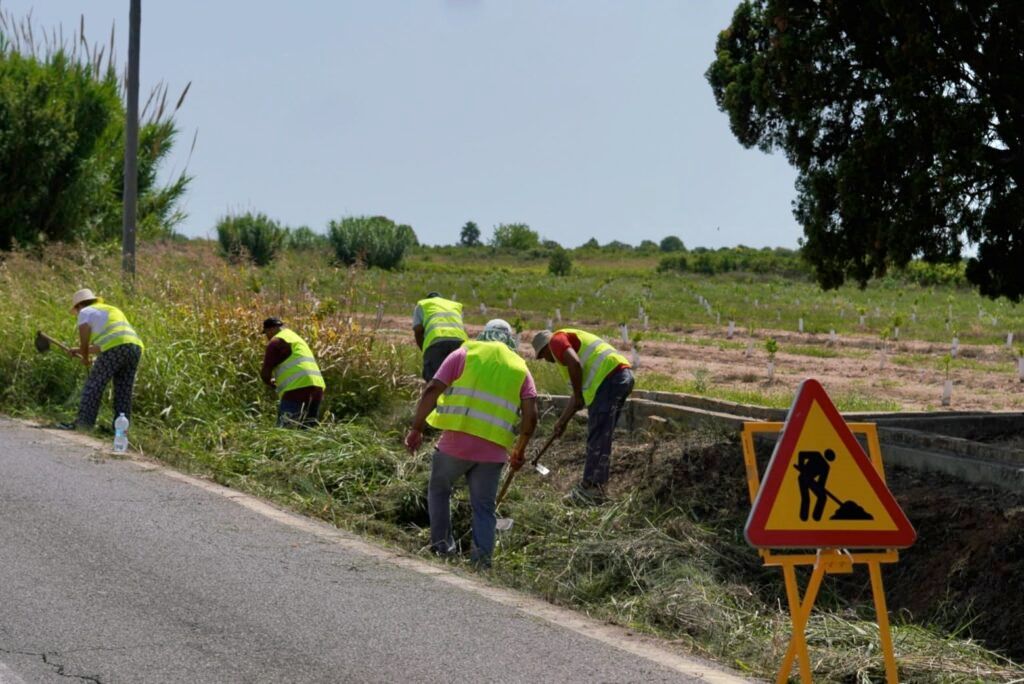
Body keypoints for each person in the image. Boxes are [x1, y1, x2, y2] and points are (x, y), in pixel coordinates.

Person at [405, 319, 537, 569]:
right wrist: (520, 449)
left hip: (456, 443)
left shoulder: (465, 352)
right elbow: (532, 415)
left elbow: (433, 389)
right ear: (510, 341)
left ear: (484, 334)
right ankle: (481, 562)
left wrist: (416, 428)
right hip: (493, 452)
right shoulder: (520, 367)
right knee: (484, 507)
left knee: (440, 489)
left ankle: (442, 548)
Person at [532, 328, 634, 505]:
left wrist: (578, 396)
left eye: (543, 355)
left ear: (546, 347)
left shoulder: (557, 341)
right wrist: (562, 421)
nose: (546, 361)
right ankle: (597, 488)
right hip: (618, 378)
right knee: (602, 435)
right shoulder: (568, 356)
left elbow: (575, 364)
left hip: (609, 379)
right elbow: (577, 398)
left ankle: (590, 489)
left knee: (598, 436)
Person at [66, 288, 144, 431]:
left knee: (94, 385)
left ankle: (84, 424)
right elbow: (108, 342)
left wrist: (84, 357)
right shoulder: (110, 310)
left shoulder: (85, 313)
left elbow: (85, 341)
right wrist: (79, 351)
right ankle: (120, 429)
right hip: (135, 347)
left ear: (79, 306)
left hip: (115, 348)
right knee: (123, 390)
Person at [260, 318, 325, 428]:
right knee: (308, 432)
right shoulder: (296, 339)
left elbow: (265, 373)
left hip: (297, 388)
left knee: (285, 432)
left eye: (266, 333)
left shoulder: (275, 342)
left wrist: (270, 382)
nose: (267, 337)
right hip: (318, 387)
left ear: (271, 330)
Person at [412, 292, 468, 382]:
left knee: (434, 380)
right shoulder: (455, 305)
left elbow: (418, 330)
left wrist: (424, 349)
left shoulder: (423, 304)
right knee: (458, 380)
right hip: (461, 344)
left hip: (437, 342)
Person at [795, 449, 836, 522]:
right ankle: (804, 518)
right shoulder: (816, 455)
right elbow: (801, 454)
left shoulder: (826, 467)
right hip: (803, 478)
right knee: (806, 498)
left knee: (822, 497)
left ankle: (816, 517)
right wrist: (801, 467)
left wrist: (820, 487)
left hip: (810, 481)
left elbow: (821, 482)